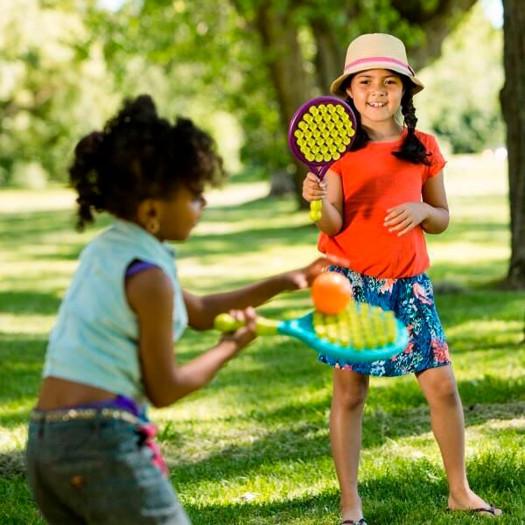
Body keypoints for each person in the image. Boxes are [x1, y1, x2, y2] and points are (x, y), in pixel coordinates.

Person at [26, 94, 331, 525]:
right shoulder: (148, 277)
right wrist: (231, 347)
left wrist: (287, 280)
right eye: (194, 196)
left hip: (46, 442)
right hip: (101, 443)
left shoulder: (110, 252)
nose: (202, 205)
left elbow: (201, 310)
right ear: (152, 210)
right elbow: (164, 388)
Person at [302, 34, 502, 524]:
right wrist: (316, 197)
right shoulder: (337, 156)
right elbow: (332, 222)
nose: (377, 91)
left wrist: (422, 209)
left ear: (404, 92)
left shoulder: (423, 148)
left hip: (410, 285)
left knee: (442, 387)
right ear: (348, 91)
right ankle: (351, 506)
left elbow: (442, 216)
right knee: (350, 394)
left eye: (389, 82)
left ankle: (460, 490)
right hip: (351, 286)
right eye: (365, 81)